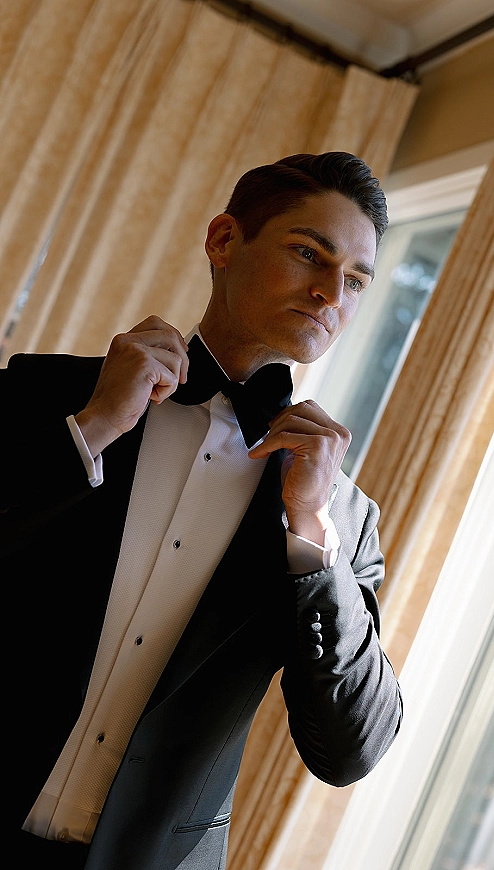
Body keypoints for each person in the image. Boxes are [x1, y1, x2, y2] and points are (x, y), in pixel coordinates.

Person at [2, 151, 403, 870]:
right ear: (223, 241)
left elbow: (351, 750)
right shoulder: (40, 395)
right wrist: (88, 431)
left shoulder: (340, 517)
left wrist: (311, 537)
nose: (328, 294)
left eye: (355, 280)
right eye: (309, 254)